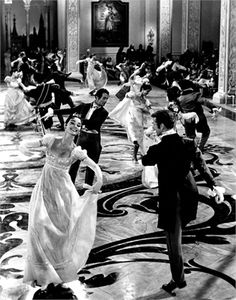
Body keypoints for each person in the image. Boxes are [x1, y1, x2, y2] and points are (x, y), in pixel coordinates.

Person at [141, 109, 224, 296]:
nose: (153, 127)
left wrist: (148, 139)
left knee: (173, 243)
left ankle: (178, 280)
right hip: (190, 195)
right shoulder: (188, 142)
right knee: (179, 231)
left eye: (154, 124)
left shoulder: (158, 148)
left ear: (162, 126)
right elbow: (202, 165)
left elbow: (145, 160)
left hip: (172, 200)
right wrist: (214, 185)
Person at [19, 115, 103, 288]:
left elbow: (94, 166)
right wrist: (28, 147)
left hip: (63, 193)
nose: (75, 126)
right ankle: (40, 270)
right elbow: (29, 145)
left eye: (78, 125)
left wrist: (99, 181)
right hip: (44, 188)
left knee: (60, 231)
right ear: (66, 125)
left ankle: (58, 269)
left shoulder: (76, 150)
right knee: (38, 224)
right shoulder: (50, 140)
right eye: (72, 123)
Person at [45, 88, 109, 185]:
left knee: (91, 168)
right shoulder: (84, 106)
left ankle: (87, 189)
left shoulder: (104, 112)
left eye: (106, 99)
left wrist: (78, 120)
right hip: (81, 139)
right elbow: (71, 110)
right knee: (74, 165)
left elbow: (94, 124)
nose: (105, 101)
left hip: (93, 142)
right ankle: (70, 186)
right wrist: (53, 112)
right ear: (96, 97)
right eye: (103, 98)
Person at [109, 77, 153, 161]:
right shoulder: (134, 95)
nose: (147, 93)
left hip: (139, 122)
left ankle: (138, 155)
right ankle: (135, 156)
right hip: (131, 119)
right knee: (135, 139)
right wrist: (130, 91)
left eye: (148, 92)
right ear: (142, 89)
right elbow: (126, 94)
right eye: (146, 91)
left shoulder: (146, 101)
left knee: (140, 139)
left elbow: (150, 110)